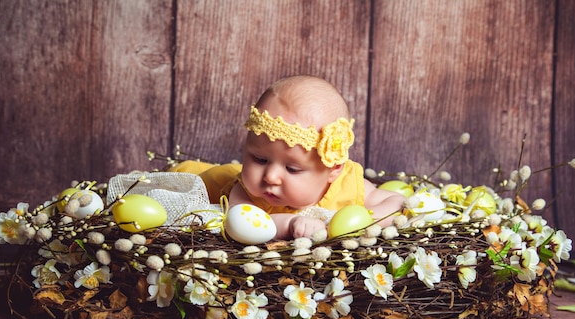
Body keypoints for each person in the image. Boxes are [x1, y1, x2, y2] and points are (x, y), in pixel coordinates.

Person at [171, 75, 406, 239]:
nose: (271, 176)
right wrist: (290, 224)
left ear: (333, 169)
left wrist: (359, 222)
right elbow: (243, 224)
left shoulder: (347, 184)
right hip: (207, 180)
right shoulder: (245, 192)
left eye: (292, 169)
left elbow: (395, 202)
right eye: (259, 159)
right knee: (190, 176)